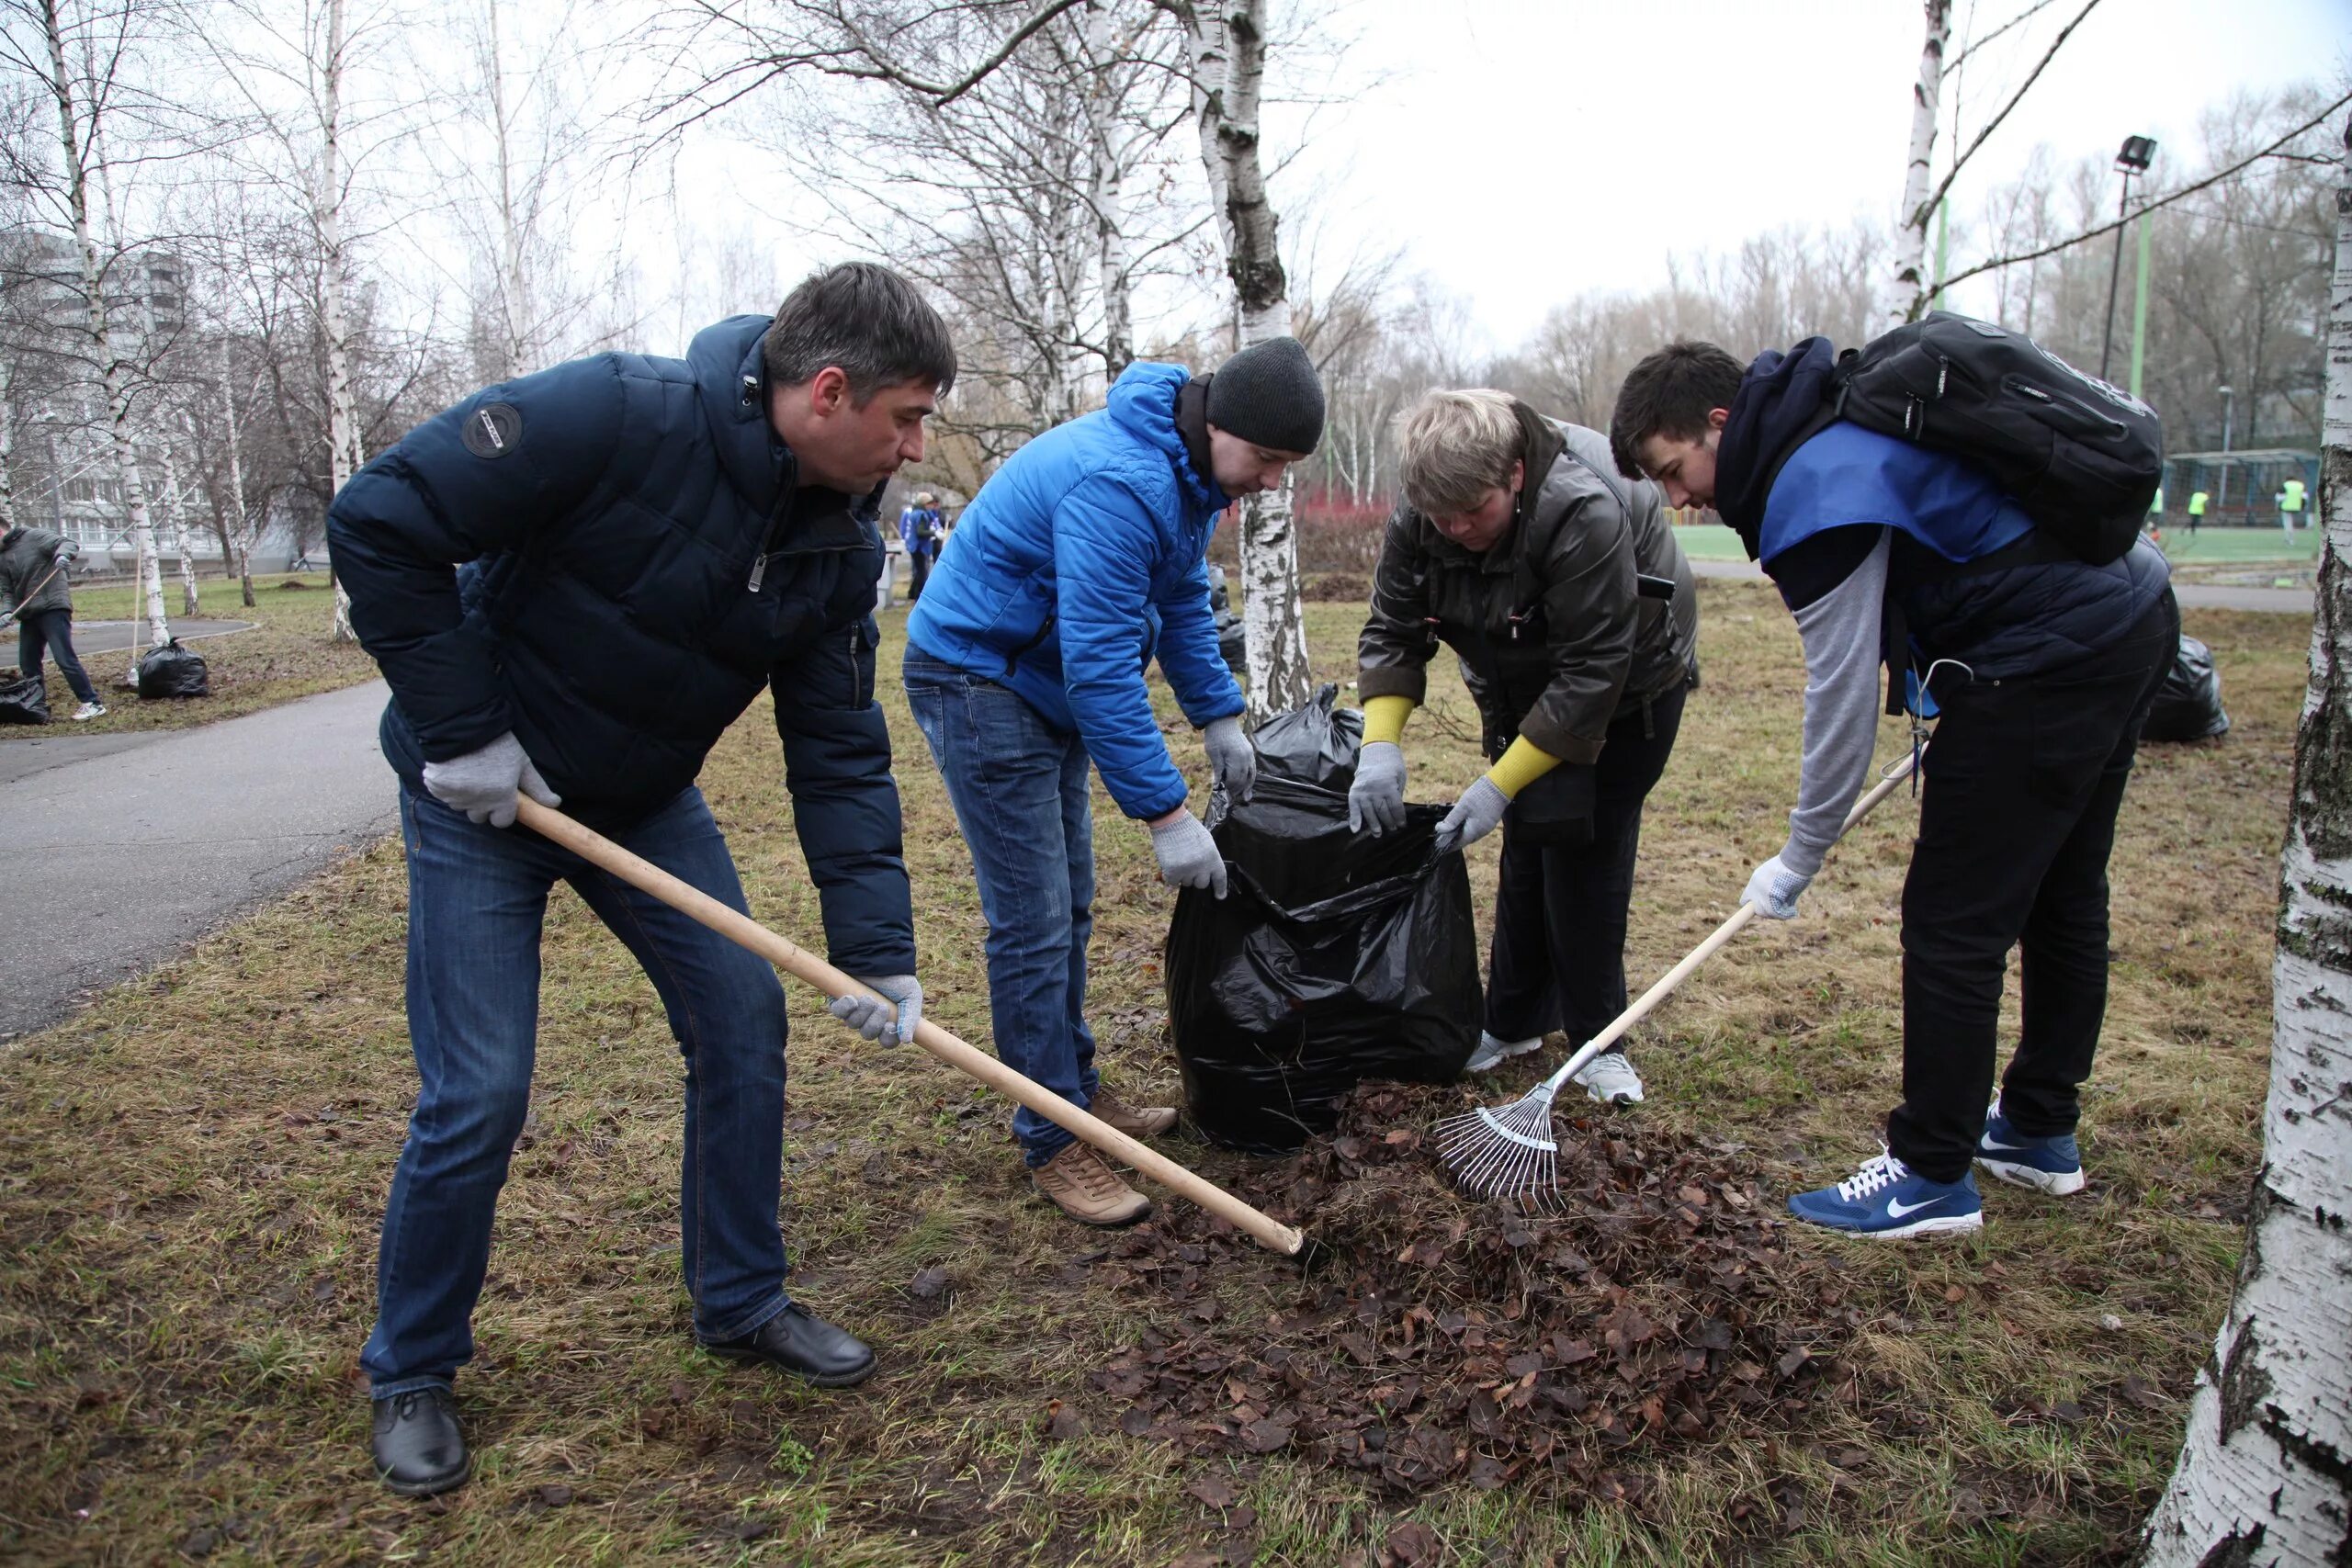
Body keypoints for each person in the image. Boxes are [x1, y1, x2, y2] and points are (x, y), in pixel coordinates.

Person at [326, 263, 952, 1495]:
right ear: (829, 391)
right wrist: (460, 732)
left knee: (742, 1019)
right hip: (481, 795)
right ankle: (412, 1364)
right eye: (908, 417)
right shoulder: (614, 413)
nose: (918, 446)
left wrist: (876, 943)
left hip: (636, 800)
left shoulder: (836, 537)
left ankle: (740, 1298)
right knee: (481, 1087)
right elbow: (380, 515)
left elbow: (835, 752)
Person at [1611, 339, 2176, 1239]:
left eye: (1675, 472)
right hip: (2128, 612)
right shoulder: (1833, 414)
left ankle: (1928, 1175)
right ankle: (2035, 1128)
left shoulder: (1809, 483)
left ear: (1719, 424)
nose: (1679, 502)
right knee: (2064, 891)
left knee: (1953, 921)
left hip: (2049, 654)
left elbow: (1836, 701)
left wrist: (1797, 858)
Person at [902, 337, 1320, 1227]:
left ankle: (1074, 1091)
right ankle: (1052, 1136)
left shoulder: (1191, 478)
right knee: (1032, 917)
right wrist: (1167, 814)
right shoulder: (1121, 483)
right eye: (1271, 461)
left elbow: (1176, 604)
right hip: (978, 675)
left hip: (1035, 675)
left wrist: (1218, 717)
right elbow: (1100, 670)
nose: (1273, 482)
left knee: (1071, 904)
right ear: (1223, 426)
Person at [1351, 390, 1697, 1105]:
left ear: (1513, 474)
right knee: (1531, 845)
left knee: (1582, 849)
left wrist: (1498, 784)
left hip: (1629, 686)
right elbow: (1393, 629)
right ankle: (1512, 1021)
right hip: (1522, 676)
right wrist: (1380, 745)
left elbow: (1589, 675)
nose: (1455, 529)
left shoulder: (1580, 510)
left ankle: (1599, 1042)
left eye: (1471, 513)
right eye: (1440, 517)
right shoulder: (1429, 512)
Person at [0, 523, 105, 720]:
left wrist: (62, 556)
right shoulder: (2, 556)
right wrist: (6, 612)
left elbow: (67, 543)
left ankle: (92, 703)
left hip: (53, 607)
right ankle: (35, 705)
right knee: (28, 663)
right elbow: (7, 591)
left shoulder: (34, 536)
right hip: (29, 613)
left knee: (63, 657)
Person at [899, 491, 943, 602]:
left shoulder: (915, 513)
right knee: (922, 573)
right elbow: (920, 531)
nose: (932, 506)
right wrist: (933, 533)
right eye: (929, 504)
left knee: (918, 572)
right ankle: (920, 596)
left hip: (914, 546)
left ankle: (912, 594)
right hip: (919, 547)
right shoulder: (921, 514)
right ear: (924, 504)